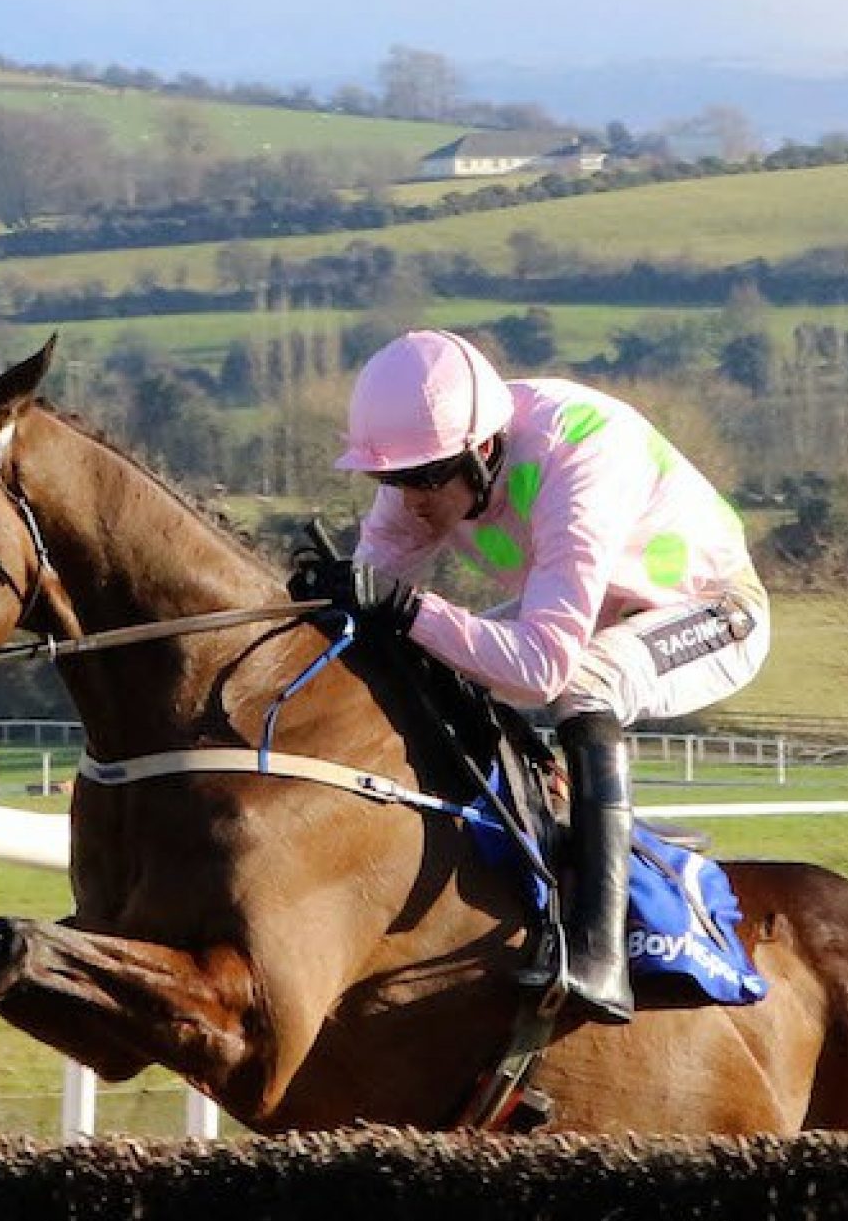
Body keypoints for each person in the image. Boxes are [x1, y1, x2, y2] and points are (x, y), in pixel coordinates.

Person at [293, 329, 770, 1024]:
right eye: (390, 480)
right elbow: (375, 618)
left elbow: (542, 667)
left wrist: (405, 605)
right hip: (596, 600)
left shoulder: (578, 460)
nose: (410, 499)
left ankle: (600, 949)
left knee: (587, 683)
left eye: (426, 478)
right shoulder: (433, 462)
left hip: (712, 610)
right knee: (426, 658)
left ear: (483, 450)